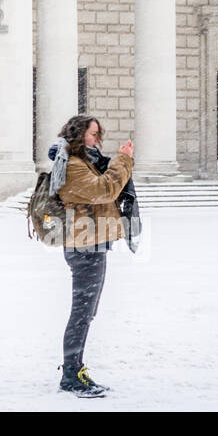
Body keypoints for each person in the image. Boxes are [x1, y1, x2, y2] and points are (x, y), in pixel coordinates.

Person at [46, 113, 133, 398]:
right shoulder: (71, 165)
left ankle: (76, 369)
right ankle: (71, 375)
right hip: (84, 246)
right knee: (81, 313)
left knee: (87, 312)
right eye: (93, 134)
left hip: (93, 243)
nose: (98, 139)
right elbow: (104, 191)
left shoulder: (82, 162)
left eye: (98, 134)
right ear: (78, 133)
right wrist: (122, 160)